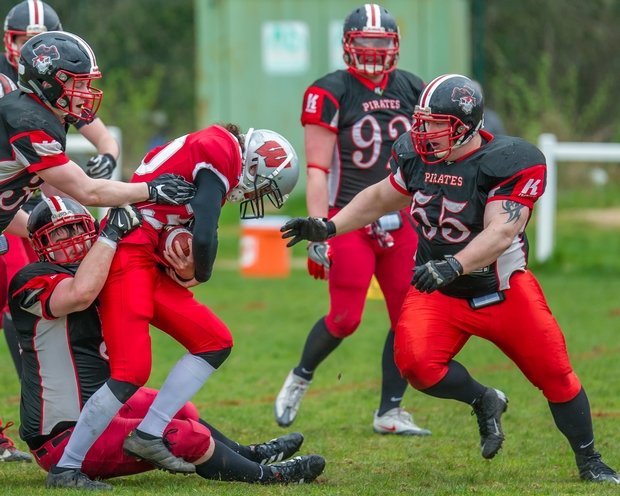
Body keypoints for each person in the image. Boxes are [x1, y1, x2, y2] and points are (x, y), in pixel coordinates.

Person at [280, 73, 620, 484]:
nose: (422, 130)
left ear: (466, 126)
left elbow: (501, 232)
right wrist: (328, 227)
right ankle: (485, 400)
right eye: (421, 120)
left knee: (556, 374)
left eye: (435, 123)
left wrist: (454, 264)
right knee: (417, 365)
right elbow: (380, 197)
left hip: (502, 289)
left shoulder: (509, 162)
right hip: (439, 290)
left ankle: (590, 462)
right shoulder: (417, 156)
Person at [9, 196, 324, 489]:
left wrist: (186, 268)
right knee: (184, 436)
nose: (72, 240)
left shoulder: (102, 268)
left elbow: (168, 283)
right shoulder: (30, 280)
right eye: (59, 234)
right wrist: (110, 237)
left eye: (77, 227)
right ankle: (267, 476)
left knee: (180, 409)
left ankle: (250, 454)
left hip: (96, 404)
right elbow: (80, 293)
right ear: (40, 245)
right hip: (61, 434)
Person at [48, 124, 300, 479]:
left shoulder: (214, 153)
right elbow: (205, 230)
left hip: (148, 256)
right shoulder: (222, 151)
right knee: (131, 371)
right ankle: (67, 467)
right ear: (256, 164)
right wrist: (202, 273)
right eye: (263, 185)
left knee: (215, 340)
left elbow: (178, 225)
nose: (255, 193)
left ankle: (150, 433)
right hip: (130, 251)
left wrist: (182, 269)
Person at [273, 3, 429, 437]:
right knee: (345, 318)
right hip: (349, 218)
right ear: (348, 45)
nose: (375, 51)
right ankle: (301, 376)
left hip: (403, 219)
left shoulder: (414, 88)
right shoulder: (329, 91)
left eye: (382, 43)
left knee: (407, 319)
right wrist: (319, 229)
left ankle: (390, 411)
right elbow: (319, 170)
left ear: (395, 46)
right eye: (366, 42)